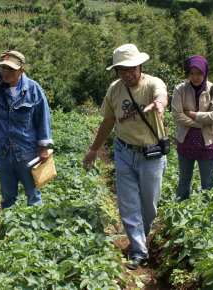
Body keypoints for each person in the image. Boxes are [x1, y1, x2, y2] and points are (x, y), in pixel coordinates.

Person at [82, 44, 168, 270]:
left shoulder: (152, 83)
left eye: (131, 68)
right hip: (124, 152)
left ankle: (142, 237)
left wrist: (159, 103)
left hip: (151, 154)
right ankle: (138, 250)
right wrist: (93, 149)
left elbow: (161, 93)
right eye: (121, 70)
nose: (127, 74)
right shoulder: (115, 89)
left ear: (140, 65)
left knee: (149, 205)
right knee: (128, 204)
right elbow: (108, 121)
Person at [0, 50, 53, 209]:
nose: (6, 73)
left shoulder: (33, 88)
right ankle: (9, 230)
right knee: (7, 197)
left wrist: (44, 147)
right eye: (3, 68)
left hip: (27, 152)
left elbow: (43, 117)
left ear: (21, 70)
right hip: (4, 153)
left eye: (11, 69)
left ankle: (34, 230)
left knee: (33, 196)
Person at [171, 56, 213, 202]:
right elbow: (177, 116)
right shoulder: (180, 89)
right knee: (184, 180)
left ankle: (208, 214)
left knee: (207, 182)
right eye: (191, 73)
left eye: (199, 73)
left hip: (207, 142)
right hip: (185, 141)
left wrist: (192, 114)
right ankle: (180, 209)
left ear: (205, 72)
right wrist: (200, 123)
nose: (195, 77)